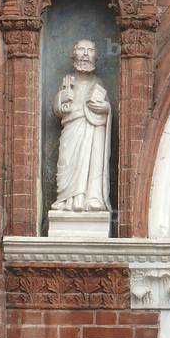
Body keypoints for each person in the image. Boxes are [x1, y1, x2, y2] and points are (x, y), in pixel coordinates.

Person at [52, 39, 111, 212]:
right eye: (81, 50)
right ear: (73, 54)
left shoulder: (98, 83)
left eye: (90, 50)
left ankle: (91, 198)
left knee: (93, 160)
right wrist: (62, 98)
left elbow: (107, 107)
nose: (85, 54)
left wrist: (105, 108)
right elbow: (57, 109)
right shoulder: (67, 81)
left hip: (93, 129)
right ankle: (65, 199)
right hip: (72, 127)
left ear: (96, 57)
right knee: (66, 159)